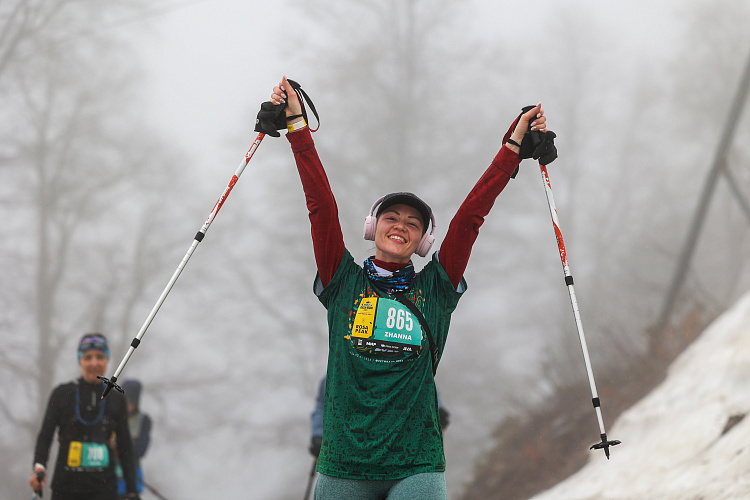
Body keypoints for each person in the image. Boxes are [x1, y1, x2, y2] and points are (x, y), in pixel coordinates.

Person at [268, 75, 551, 499]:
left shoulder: (436, 289)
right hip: (343, 466)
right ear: (373, 227)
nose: (400, 225)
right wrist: (296, 128)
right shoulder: (342, 280)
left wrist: (511, 150)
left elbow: (470, 219)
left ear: (423, 241)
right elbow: (320, 207)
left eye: (412, 222)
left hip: (416, 465)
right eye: (391, 217)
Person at [30, 333, 140, 500]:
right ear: (80, 360)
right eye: (88, 357)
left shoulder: (116, 399)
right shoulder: (62, 394)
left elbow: (125, 446)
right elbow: (45, 436)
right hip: (65, 489)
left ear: (107, 360)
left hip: (105, 491)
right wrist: (39, 467)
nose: (94, 363)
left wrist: (132, 491)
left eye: (100, 357)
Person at [309, 375, 450, 459]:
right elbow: (324, 403)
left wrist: (436, 406)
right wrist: (318, 435)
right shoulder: (339, 370)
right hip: (351, 450)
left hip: (398, 449)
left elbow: (422, 381)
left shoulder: (402, 357)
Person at [116, 379, 152, 498]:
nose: (127, 405)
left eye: (131, 401)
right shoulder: (110, 416)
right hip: (108, 476)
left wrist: (119, 446)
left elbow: (140, 449)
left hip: (131, 477)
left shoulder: (144, 421)